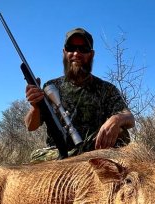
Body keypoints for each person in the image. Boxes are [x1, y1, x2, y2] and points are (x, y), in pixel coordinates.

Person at [24, 28, 135, 162]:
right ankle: (76, 159)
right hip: (59, 153)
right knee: (36, 156)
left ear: (91, 54)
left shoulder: (106, 89)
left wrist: (117, 119)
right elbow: (31, 126)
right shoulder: (51, 87)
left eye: (83, 49)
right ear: (64, 52)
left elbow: (129, 118)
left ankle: (80, 159)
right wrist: (35, 106)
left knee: (122, 133)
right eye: (71, 48)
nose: (77, 53)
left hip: (93, 149)